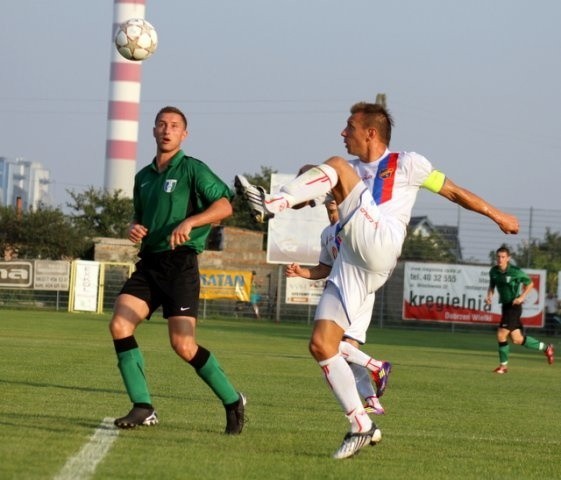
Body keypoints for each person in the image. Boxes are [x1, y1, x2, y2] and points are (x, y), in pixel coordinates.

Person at [235, 101, 520, 459]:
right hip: (352, 262)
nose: (343, 133)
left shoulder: (408, 163)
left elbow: (454, 192)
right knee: (322, 345)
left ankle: (268, 205)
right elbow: (314, 187)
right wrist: (304, 186)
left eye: (349, 127)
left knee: (333, 167)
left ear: (370, 132)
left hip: (381, 240)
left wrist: (497, 215)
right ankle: (361, 425)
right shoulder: (346, 172)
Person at [109, 106, 246, 434]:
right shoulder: (143, 177)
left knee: (183, 346)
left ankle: (232, 400)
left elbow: (225, 205)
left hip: (181, 264)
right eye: (162, 124)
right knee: (119, 324)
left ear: (184, 134)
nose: (167, 130)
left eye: (174, 126)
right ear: (153, 131)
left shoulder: (193, 170)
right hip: (150, 264)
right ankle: (143, 406)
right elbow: (140, 217)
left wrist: (191, 220)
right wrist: (134, 228)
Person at [285, 199, 388, 415]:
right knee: (346, 352)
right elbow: (324, 268)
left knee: (328, 345)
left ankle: (377, 366)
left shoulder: (351, 225)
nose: (332, 197)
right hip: (345, 289)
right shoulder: (326, 233)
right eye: (329, 194)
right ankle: (372, 401)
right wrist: (302, 272)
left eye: (336, 194)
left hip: (356, 290)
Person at [485, 246, 554, 373]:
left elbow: (530, 283)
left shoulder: (515, 271)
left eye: (503, 257)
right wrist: (489, 295)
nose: (500, 259)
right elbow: (492, 285)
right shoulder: (494, 271)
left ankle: (503, 367)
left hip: (514, 306)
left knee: (501, 334)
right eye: (498, 257)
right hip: (506, 307)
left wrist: (522, 296)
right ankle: (546, 348)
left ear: (508, 258)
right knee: (517, 339)